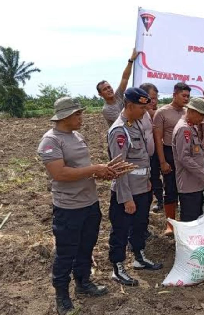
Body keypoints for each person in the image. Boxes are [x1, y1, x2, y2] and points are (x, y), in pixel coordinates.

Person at [37, 97, 133, 314]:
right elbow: (59, 174)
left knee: (86, 247)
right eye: (77, 114)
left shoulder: (76, 136)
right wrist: (94, 169)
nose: (82, 117)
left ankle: (83, 283)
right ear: (65, 117)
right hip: (68, 207)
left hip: (89, 203)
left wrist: (104, 172)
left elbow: (82, 168)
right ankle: (61, 295)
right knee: (66, 252)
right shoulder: (50, 141)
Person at [107, 87, 163, 287]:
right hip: (127, 191)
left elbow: (141, 158)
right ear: (129, 106)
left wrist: (147, 178)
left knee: (140, 225)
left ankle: (139, 257)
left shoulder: (136, 123)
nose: (145, 111)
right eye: (141, 107)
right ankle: (118, 267)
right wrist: (126, 198)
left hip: (142, 188)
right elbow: (119, 168)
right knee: (121, 230)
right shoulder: (119, 131)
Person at [153, 82, 190, 235]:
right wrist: (162, 161)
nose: (186, 99)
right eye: (184, 95)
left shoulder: (188, 112)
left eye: (188, 96)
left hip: (185, 153)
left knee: (186, 187)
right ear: (174, 95)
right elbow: (158, 138)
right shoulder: (162, 113)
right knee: (170, 188)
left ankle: (186, 221)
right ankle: (170, 223)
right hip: (169, 152)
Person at [172, 98, 204, 221]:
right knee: (190, 221)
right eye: (201, 115)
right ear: (191, 111)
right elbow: (184, 158)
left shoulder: (191, 127)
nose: (203, 119)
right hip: (189, 185)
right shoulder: (184, 129)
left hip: (196, 183)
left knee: (197, 219)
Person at [98, 49, 139, 126]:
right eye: (105, 89)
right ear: (100, 94)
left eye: (109, 87)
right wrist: (135, 127)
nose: (109, 90)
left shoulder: (118, 96)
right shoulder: (107, 109)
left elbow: (125, 78)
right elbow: (124, 122)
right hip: (121, 134)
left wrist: (131, 61)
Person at [139, 83, 164, 212]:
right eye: (151, 98)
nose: (154, 101)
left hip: (153, 153)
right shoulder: (137, 115)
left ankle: (160, 199)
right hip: (140, 158)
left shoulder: (148, 113)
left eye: (156, 98)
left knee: (155, 177)